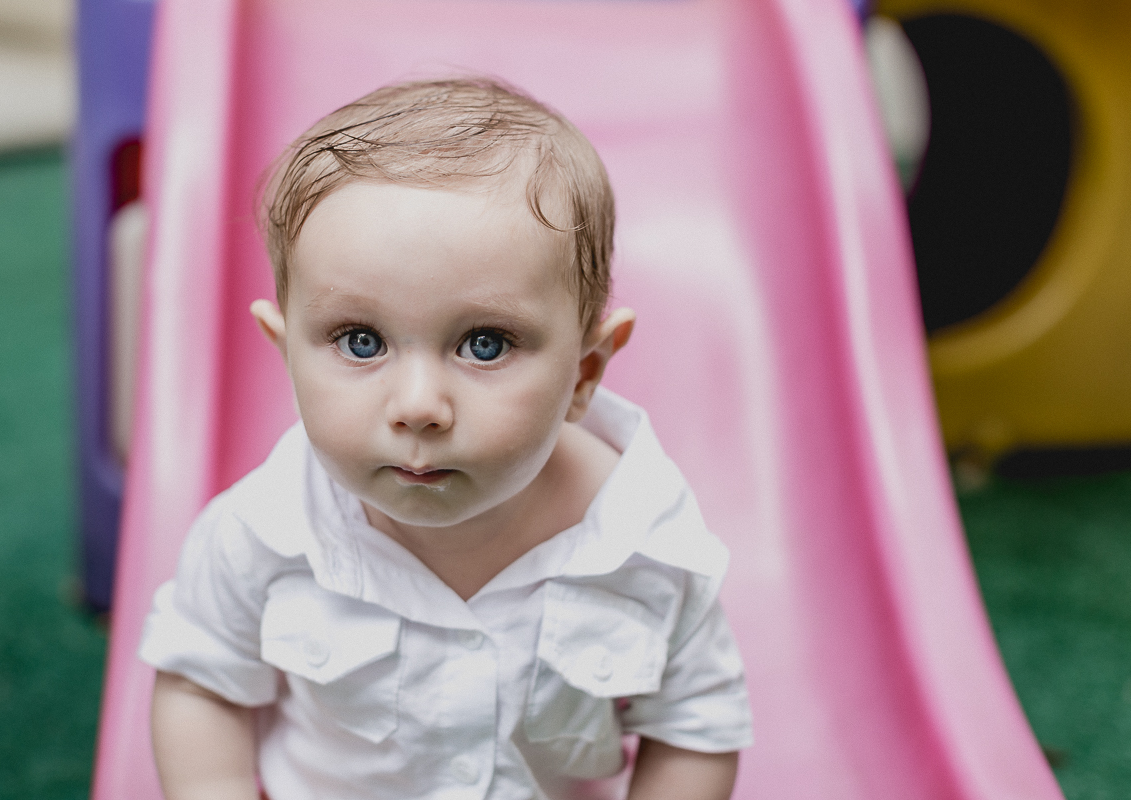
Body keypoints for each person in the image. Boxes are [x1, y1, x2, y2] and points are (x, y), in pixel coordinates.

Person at [140, 77, 752, 800]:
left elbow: (695, 721)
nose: (420, 406)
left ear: (584, 372)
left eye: (485, 344)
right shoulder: (265, 532)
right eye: (360, 341)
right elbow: (201, 680)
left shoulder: (646, 541)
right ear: (286, 355)